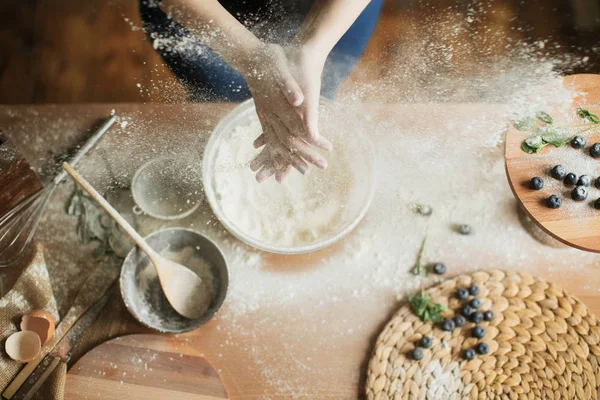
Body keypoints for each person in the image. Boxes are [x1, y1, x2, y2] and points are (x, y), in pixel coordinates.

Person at [139, 0, 383, 182]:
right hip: (202, 13)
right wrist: (249, 57)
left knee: (315, 95)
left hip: (337, 7)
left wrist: (312, 48)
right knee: (221, 105)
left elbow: (310, 63)